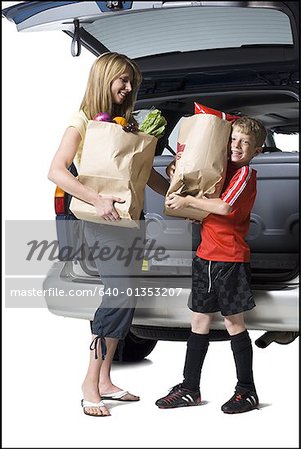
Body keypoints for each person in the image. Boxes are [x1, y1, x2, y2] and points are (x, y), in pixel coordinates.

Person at [48, 52, 169, 417]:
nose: (129, 88)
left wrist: (177, 195)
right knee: (116, 297)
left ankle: (105, 381)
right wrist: (97, 199)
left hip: (129, 221)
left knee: (126, 298)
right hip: (101, 224)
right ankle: (89, 381)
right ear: (104, 79)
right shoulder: (82, 120)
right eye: (122, 81)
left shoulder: (126, 123)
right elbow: (56, 171)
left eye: (132, 82)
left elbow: (144, 175)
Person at [156, 116, 267, 414]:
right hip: (206, 255)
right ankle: (190, 388)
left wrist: (187, 200)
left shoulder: (244, 174)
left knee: (234, 324)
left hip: (229, 259)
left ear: (256, 150)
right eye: (233, 139)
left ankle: (247, 391)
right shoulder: (219, 169)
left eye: (245, 143)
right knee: (199, 321)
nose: (237, 146)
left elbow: (224, 206)